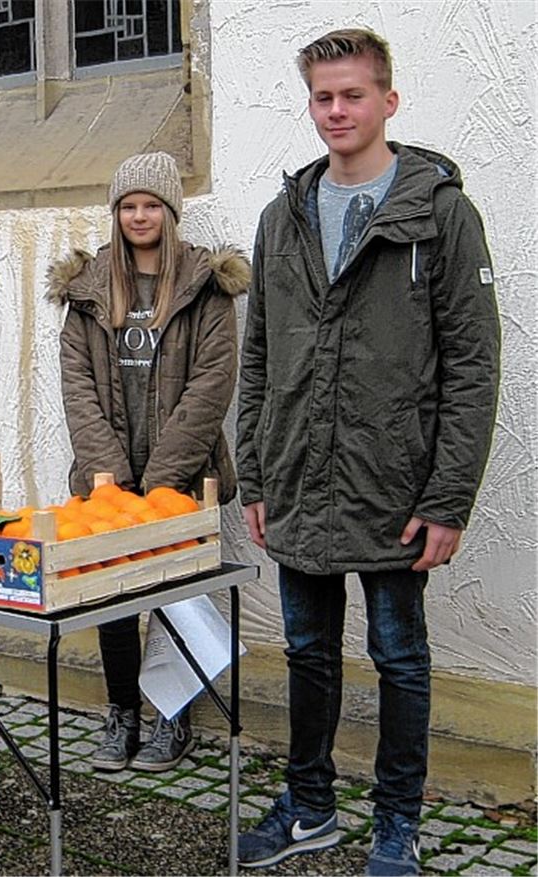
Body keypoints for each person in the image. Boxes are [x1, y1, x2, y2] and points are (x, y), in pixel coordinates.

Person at [234, 29, 500, 877]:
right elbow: (260, 355)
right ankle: (311, 807)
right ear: (310, 104)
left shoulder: (439, 214)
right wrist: (259, 474)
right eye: (323, 97)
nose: (337, 111)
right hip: (301, 482)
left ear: (389, 101)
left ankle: (397, 823)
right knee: (307, 653)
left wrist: (448, 497)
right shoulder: (284, 217)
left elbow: (471, 364)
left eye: (353, 95)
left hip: (395, 487)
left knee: (399, 657)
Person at [48, 151, 249, 773]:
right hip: (106, 480)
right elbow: (77, 384)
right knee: (109, 598)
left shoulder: (204, 286)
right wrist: (112, 476)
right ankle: (121, 713)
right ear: (116, 213)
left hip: (180, 475)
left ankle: (171, 717)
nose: (140, 215)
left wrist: (161, 479)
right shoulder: (89, 287)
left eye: (151, 205)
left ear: (171, 212)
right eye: (128, 205)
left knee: (172, 596)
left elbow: (214, 382)